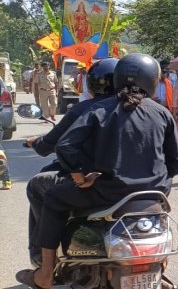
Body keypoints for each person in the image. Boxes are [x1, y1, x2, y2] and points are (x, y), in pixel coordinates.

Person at [15, 53, 178, 289]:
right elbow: (175, 165)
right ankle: (159, 266)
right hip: (153, 197)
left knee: (53, 198)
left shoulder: (100, 109)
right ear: (153, 81)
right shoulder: (162, 113)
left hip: (107, 193)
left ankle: (45, 273)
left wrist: (78, 176)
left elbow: (64, 146)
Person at [23, 59, 118, 266]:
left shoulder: (86, 109)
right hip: (132, 183)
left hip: (93, 182)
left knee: (37, 185)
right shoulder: (144, 110)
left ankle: (42, 256)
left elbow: (58, 144)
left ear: (92, 84)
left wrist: (36, 143)